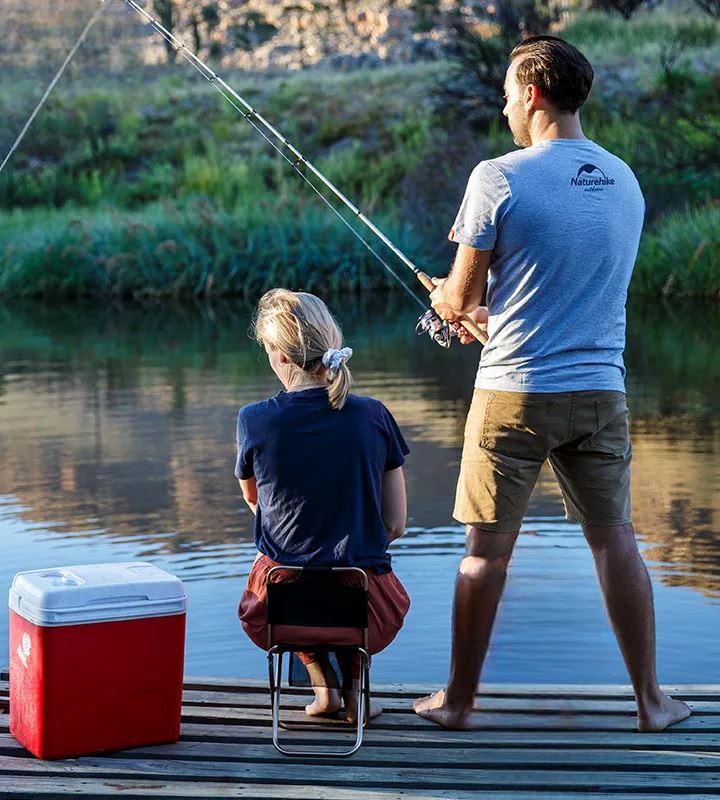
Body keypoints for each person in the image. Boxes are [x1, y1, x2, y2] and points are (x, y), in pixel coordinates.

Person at [413, 36, 691, 733]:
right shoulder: (625, 178)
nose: (506, 105)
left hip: (514, 396)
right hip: (603, 394)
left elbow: (460, 297)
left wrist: (449, 301)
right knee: (615, 538)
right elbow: (561, 286)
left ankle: (459, 703)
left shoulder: (497, 177)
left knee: (484, 556)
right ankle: (653, 703)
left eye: (509, 92)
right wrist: (486, 313)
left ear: (533, 93)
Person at [236, 288, 411, 722]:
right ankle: (355, 695)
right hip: (368, 609)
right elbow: (396, 524)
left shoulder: (254, 419)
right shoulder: (374, 415)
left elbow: (255, 501)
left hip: (280, 608)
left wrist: (304, 536)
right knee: (353, 567)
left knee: (283, 561)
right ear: (333, 339)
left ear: (277, 355)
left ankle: (323, 690)